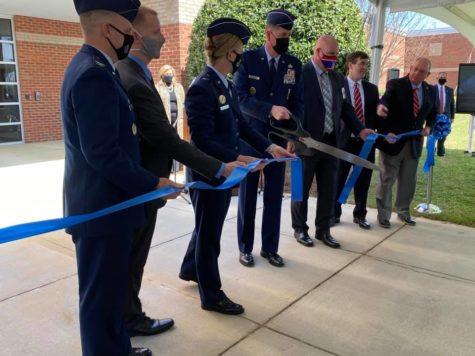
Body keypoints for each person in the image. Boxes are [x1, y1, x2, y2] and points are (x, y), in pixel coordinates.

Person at [62, 1, 181, 355]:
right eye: (127, 28)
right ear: (107, 30)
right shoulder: (92, 73)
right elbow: (103, 153)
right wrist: (152, 183)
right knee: (100, 302)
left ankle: (118, 348)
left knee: (111, 295)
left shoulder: (99, 67)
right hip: (102, 210)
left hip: (109, 207)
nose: (133, 34)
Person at [115, 7, 242, 337]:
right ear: (138, 36)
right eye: (158, 31)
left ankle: (130, 314)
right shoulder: (132, 77)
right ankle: (128, 319)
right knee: (130, 261)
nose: (165, 35)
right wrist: (217, 167)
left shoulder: (137, 73)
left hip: (146, 185)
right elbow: (166, 137)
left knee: (135, 259)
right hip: (141, 187)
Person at [179, 18, 294, 315]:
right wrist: (239, 159)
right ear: (230, 53)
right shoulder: (202, 88)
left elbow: (242, 126)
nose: (243, 55)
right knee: (209, 235)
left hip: (224, 169)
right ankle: (212, 295)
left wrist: (269, 148)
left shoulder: (224, 85)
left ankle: (192, 269)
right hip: (209, 173)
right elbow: (201, 140)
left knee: (205, 227)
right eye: (240, 49)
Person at [234, 9, 304, 268]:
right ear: (268, 33)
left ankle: (270, 248)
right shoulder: (248, 60)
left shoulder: (292, 64)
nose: (286, 39)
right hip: (251, 139)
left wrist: (293, 135)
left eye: (289, 35)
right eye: (282, 35)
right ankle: (245, 248)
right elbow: (240, 98)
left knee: (274, 195)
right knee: (248, 195)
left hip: (280, 139)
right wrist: (269, 109)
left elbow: (298, 103)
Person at [290, 35, 373, 249]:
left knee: (328, 189)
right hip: (306, 143)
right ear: (318, 52)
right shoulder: (301, 75)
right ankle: (300, 229)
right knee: (302, 189)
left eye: (336, 55)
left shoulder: (337, 78)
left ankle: (323, 230)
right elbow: (289, 107)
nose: (334, 59)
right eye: (330, 55)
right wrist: (292, 136)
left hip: (331, 143)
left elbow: (345, 108)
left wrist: (360, 129)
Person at [376, 57, 437, 228]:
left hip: (414, 144)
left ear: (428, 74)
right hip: (393, 142)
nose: (417, 73)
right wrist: (381, 107)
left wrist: (429, 127)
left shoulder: (430, 90)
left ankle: (403, 212)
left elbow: (432, 114)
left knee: (408, 181)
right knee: (387, 179)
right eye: (415, 68)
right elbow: (385, 99)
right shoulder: (396, 84)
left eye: (422, 71)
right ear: (410, 67)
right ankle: (384, 215)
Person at [334, 51, 380, 230]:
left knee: (363, 181)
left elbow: (375, 118)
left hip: (366, 144)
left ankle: (360, 215)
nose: (364, 67)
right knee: (338, 179)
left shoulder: (371, 89)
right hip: (344, 142)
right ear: (350, 65)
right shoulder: (339, 85)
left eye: (366, 64)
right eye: (361, 63)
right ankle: (334, 213)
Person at [156, 65, 186, 139]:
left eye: (170, 74)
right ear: (162, 75)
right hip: (165, 121)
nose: (168, 76)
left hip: (178, 121)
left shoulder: (179, 87)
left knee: (178, 141)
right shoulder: (158, 88)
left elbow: (182, 102)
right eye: (166, 74)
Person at [434, 71, 455, 156]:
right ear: (437, 78)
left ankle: (440, 148)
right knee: (433, 133)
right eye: (440, 76)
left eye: (444, 77)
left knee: (444, 134)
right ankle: (432, 148)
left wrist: (452, 116)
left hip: (446, 116)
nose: (442, 78)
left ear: (446, 79)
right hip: (435, 115)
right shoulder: (432, 88)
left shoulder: (450, 90)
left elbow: (452, 104)